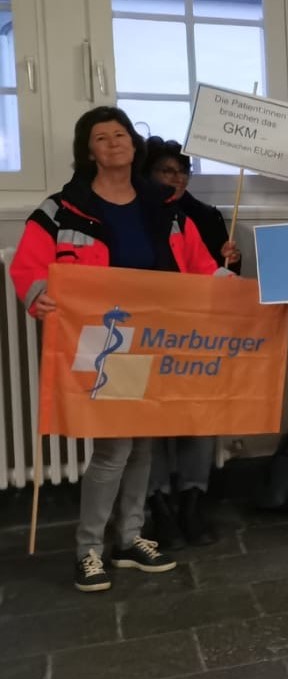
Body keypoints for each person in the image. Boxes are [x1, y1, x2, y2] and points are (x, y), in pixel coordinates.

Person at [9, 106, 224, 592]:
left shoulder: (163, 205)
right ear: (89, 151)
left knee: (142, 443)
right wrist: (36, 293)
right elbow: (29, 266)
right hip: (104, 340)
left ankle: (129, 537)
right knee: (113, 447)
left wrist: (236, 292)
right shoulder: (62, 207)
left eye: (121, 134)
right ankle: (89, 547)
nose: (114, 143)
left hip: (156, 337)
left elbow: (200, 266)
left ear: (133, 144)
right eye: (102, 137)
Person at [139, 137, 242, 549]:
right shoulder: (137, 213)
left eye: (183, 172)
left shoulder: (203, 216)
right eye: (167, 171)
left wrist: (230, 262)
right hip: (150, 334)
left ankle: (193, 500)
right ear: (149, 174)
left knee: (198, 420)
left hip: (199, 334)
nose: (177, 179)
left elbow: (221, 276)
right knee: (153, 421)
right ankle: (159, 503)